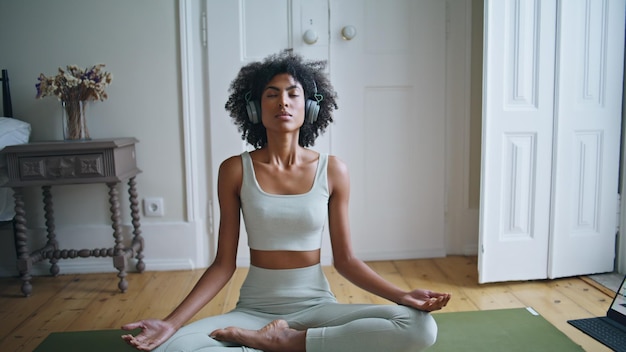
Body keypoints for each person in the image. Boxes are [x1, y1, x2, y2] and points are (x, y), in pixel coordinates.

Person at [121, 50, 451, 352]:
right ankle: (292, 345)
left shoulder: (333, 170)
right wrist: (171, 322)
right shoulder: (235, 170)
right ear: (254, 107)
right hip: (254, 309)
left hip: (318, 308)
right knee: (173, 349)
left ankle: (286, 342)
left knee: (419, 327)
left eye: (293, 94)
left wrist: (403, 296)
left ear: (309, 107)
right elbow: (223, 265)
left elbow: (346, 261)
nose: (283, 102)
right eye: (272, 94)